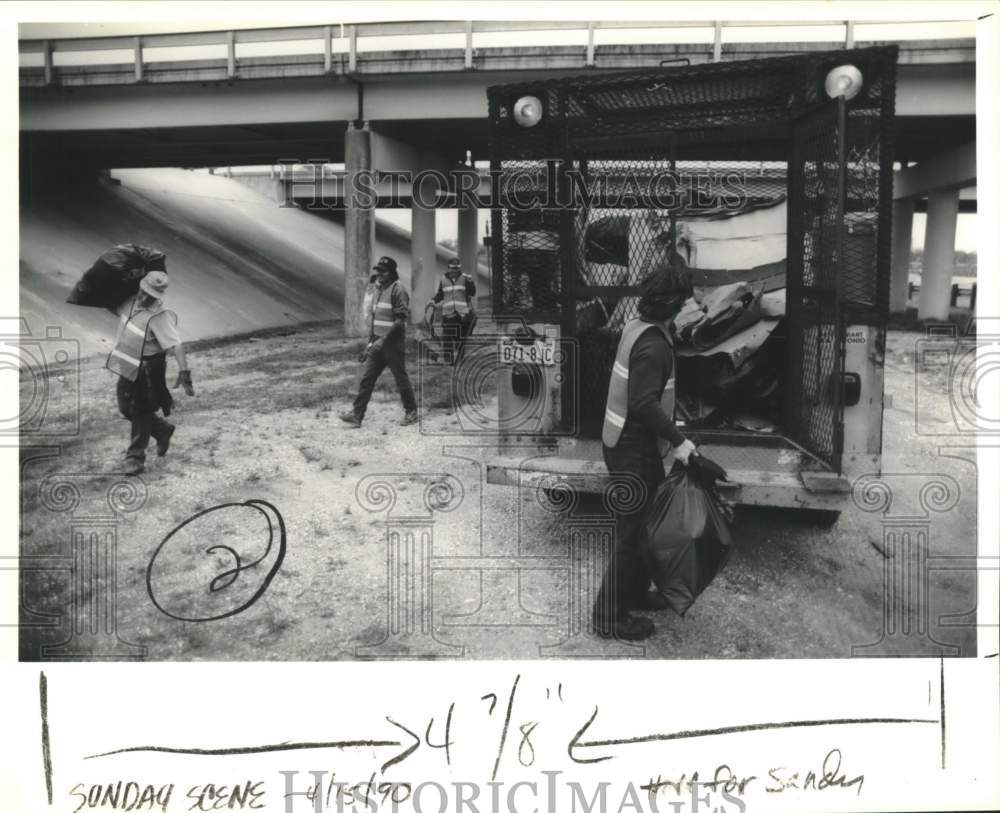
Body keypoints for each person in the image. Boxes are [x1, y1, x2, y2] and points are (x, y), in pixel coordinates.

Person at [593, 267, 699, 642]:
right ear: (674, 305)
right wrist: (679, 439)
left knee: (641, 531)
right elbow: (642, 402)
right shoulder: (653, 346)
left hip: (622, 441)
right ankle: (608, 617)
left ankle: (635, 593)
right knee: (632, 533)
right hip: (631, 449)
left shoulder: (637, 326)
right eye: (687, 300)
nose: (692, 305)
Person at [107, 271, 195, 476]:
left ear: (158, 296)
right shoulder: (128, 301)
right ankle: (162, 430)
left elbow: (176, 345)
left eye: (151, 295)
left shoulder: (160, 316)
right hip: (128, 362)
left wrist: (184, 372)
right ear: (139, 286)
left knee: (141, 410)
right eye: (144, 292)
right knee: (125, 408)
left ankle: (135, 458)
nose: (145, 297)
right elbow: (115, 310)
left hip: (148, 368)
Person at [340, 256, 418, 427]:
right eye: (378, 271)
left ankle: (411, 412)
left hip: (393, 344)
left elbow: (400, 321)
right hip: (377, 343)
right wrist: (368, 347)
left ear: (391, 273)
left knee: (400, 379)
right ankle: (357, 414)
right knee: (367, 379)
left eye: (383, 272)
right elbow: (376, 322)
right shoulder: (378, 291)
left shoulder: (398, 290)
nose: (379, 274)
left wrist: (384, 340)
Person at [428, 256, 477, 365]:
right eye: (452, 268)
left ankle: (460, 360)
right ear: (448, 268)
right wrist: (433, 301)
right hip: (448, 314)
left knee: (461, 339)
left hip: (462, 314)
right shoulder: (443, 279)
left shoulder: (465, 278)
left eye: (456, 268)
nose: (454, 270)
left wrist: (470, 282)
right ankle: (449, 361)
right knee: (447, 338)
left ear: (459, 268)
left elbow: (472, 293)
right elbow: (440, 294)